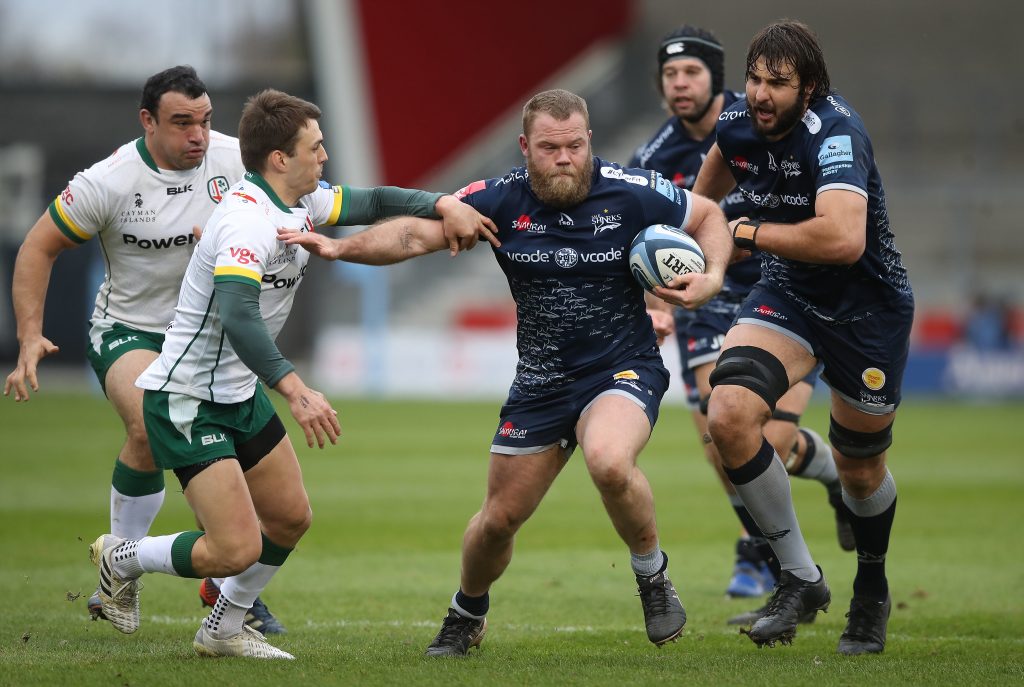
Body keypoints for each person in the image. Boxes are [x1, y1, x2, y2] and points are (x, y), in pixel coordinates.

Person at [280, 88, 733, 656]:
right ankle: (466, 611)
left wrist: (712, 277)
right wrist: (338, 249)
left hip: (622, 366)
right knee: (497, 522)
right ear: (525, 147)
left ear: (589, 140)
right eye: (549, 148)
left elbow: (711, 213)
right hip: (541, 383)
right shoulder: (497, 199)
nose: (564, 158)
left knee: (609, 461)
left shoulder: (635, 192)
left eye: (574, 145)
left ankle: (652, 575)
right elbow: (413, 233)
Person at [86, 88, 498, 659]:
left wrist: (443, 203)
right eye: (315, 146)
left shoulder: (299, 204)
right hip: (186, 399)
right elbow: (237, 313)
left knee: (290, 518)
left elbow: (375, 201)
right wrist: (296, 388)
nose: (324, 156)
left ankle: (224, 627)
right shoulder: (246, 222)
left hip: (236, 392)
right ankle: (121, 556)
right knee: (234, 548)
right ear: (280, 158)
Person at [2, 66, 288, 634]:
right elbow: (38, 248)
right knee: (147, 427)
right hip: (130, 331)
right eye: (182, 123)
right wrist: (29, 335)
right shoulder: (108, 181)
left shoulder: (236, 161)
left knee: (275, 497)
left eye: (205, 121)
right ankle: (129, 575)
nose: (198, 137)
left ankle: (219, 575)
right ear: (147, 121)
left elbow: (307, 196)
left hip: (208, 342)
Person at [685, 21, 913, 654]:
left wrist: (748, 234)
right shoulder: (735, 127)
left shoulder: (838, 133)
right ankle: (800, 577)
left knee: (861, 471)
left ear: (808, 88)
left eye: (777, 84)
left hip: (866, 310)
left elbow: (843, 241)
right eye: (755, 79)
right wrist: (689, 261)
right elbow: (702, 210)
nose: (760, 94)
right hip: (788, 298)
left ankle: (871, 590)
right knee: (727, 414)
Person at [629, 25, 854, 606]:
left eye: (692, 73)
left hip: (781, 291)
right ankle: (763, 557)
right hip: (708, 300)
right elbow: (650, 237)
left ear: (717, 80)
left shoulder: (759, 119)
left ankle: (829, 476)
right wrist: (655, 302)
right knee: (721, 437)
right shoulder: (652, 158)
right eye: (670, 75)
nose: (680, 84)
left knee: (771, 443)